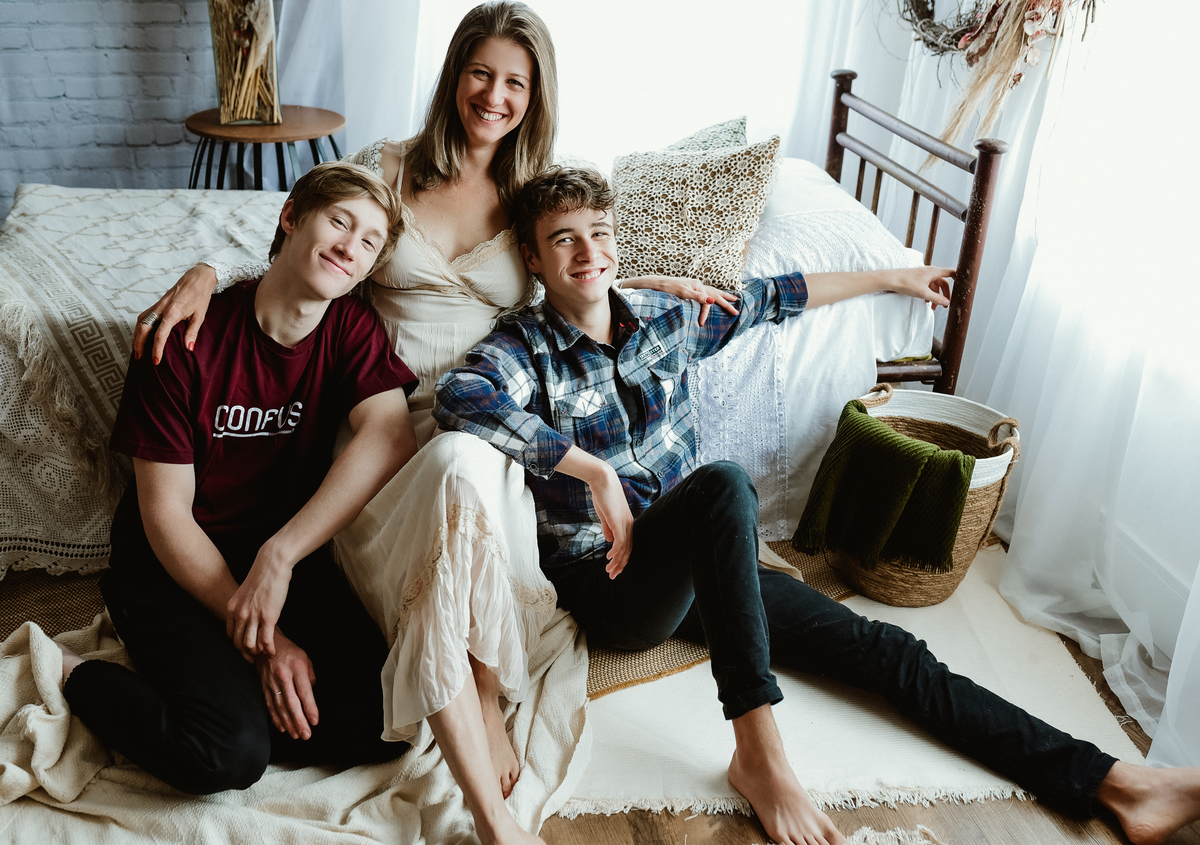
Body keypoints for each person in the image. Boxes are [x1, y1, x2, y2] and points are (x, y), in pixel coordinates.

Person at [432, 165, 1200, 845]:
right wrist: (592, 471)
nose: (587, 252)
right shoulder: (525, 347)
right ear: (533, 257)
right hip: (614, 586)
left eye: (598, 232)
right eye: (563, 239)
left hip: (709, 561)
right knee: (723, 483)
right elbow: (460, 396)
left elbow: (780, 298)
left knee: (888, 651)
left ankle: (1116, 782)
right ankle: (759, 752)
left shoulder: (667, 319)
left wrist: (894, 278)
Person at [130, 4, 737, 842]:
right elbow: (311, 232)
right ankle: (480, 738)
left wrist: (650, 285)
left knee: (464, 461)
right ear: (455, 75)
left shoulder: (533, 191)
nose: (495, 95)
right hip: (384, 425)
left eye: (516, 82)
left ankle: (482, 688)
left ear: (536, 96)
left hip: (493, 427)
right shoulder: (389, 167)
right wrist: (206, 270)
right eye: (480, 73)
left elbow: (582, 264)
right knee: (447, 464)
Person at [57, 161, 420, 795]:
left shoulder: (349, 326)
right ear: (291, 218)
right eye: (340, 222)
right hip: (171, 565)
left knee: (385, 721)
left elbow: (389, 435)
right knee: (227, 757)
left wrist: (280, 557)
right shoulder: (182, 338)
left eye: (369, 242)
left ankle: (226, 703)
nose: (349, 248)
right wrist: (267, 643)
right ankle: (70, 673)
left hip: (272, 556)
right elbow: (165, 515)